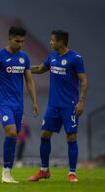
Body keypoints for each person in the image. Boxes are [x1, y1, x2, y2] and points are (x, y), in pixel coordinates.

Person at [0, 26, 39, 183]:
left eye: (23, 41)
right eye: (17, 41)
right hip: (3, 103)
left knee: (14, 136)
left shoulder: (24, 57)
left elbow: (29, 81)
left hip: (19, 104)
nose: (20, 44)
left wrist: (34, 101)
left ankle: (8, 172)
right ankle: (5, 172)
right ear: (9, 39)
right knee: (11, 132)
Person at [28, 30, 88, 183]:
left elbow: (84, 80)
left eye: (52, 40)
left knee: (71, 137)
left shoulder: (75, 58)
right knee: (44, 136)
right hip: (53, 106)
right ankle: (44, 170)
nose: (50, 42)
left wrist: (81, 101)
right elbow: (41, 68)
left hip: (70, 106)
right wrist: (25, 68)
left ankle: (72, 173)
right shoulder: (52, 56)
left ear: (61, 42)